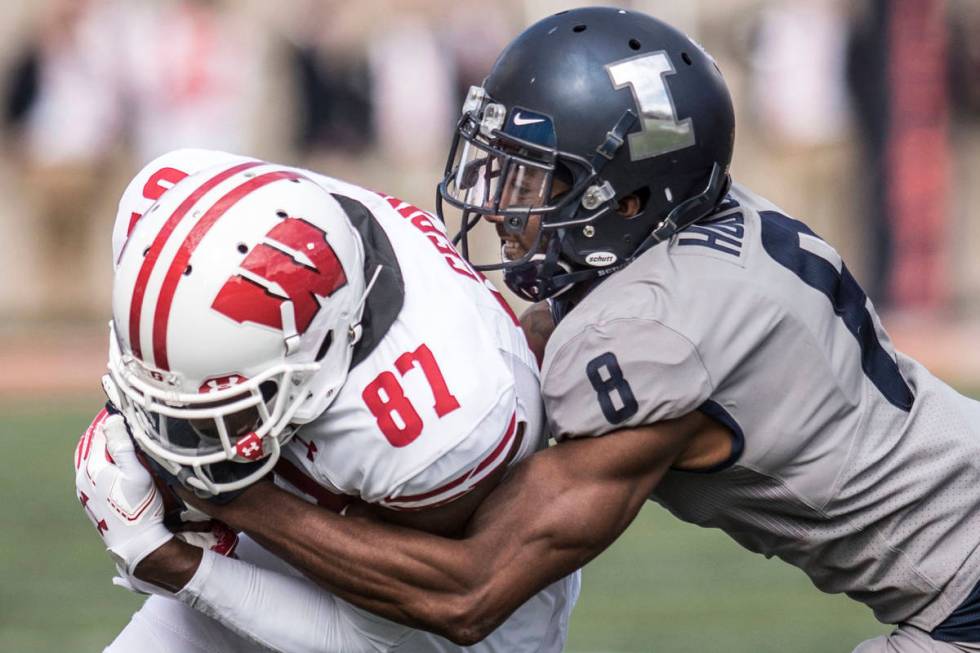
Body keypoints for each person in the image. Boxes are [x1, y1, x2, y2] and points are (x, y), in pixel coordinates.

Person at [163, 7, 980, 652]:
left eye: (532, 175)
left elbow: (469, 589)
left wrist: (234, 496)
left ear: (626, 199)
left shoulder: (656, 329)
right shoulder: (696, 226)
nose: (502, 200)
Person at [73, 148, 579, 652]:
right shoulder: (171, 198)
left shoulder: (443, 420)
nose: (180, 427)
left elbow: (362, 636)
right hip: (301, 504)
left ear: (313, 361)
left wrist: (178, 560)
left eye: (221, 408)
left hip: (435, 608)